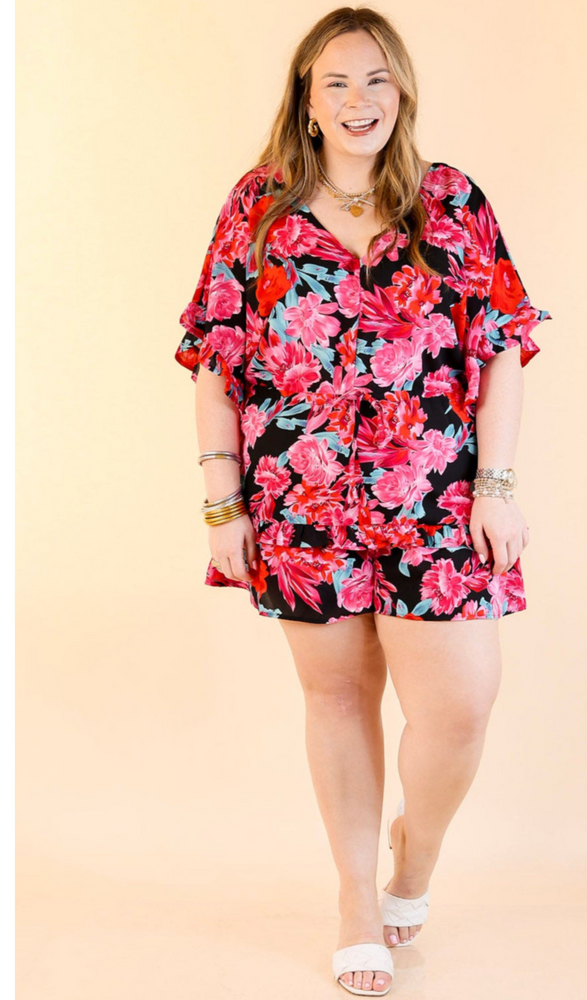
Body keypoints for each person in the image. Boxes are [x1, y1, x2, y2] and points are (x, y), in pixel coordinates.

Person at [174, 6, 550, 995]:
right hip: (300, 502)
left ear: (402, 92)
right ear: (306, 101)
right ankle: (354, 900)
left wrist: (497, 487)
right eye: (335, 82)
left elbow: (503, 347)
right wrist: (223, 507)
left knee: (459, 708)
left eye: (376, 79)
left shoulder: (450, 200)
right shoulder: (258, 209)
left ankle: (409, 861)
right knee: (336, 696)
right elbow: (215, 361)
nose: (358, 99)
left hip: (436, 500)